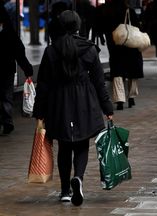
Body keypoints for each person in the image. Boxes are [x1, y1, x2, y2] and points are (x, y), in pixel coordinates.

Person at [32, 10, 114, 206]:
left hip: (59, 104)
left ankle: (64, 191)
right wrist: (107, 108)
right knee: (81, 144)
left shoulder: (51, 51)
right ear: (79, 26)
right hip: (85, 102)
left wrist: (40, 112)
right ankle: (78, 177)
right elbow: (99, 83)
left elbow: (43, 84)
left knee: (64, 146)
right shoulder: (90, 49)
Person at [94, 0, 144, 110]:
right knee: (132, 72)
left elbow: (101, 27)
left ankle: (120, 100)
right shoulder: (129, 11)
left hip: (115, 47)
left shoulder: (107, 11)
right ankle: (131, 97)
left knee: (117, 73)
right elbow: (138, 26)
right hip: (130, 45)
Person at [0, 3, 33, 135]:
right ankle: (7, 121)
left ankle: (6, 120)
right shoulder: (9, 32)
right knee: (7, 96)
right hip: (7, 69)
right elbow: (19, 51)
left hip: (6, 69)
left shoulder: (8, 32)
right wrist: (27, 69)